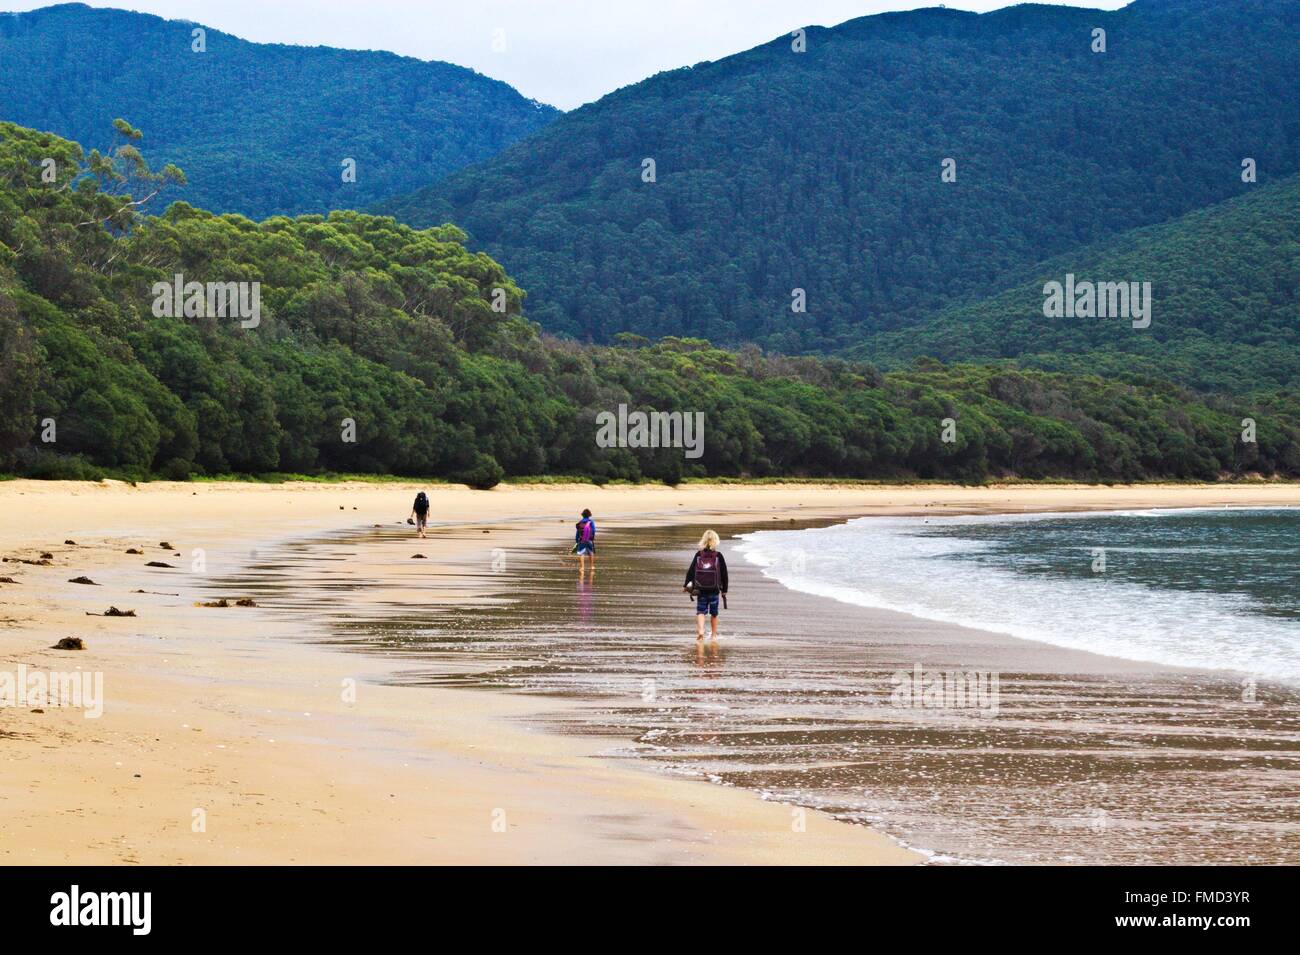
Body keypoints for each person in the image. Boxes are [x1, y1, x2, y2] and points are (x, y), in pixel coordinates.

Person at [684, 529, 728, 651]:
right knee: (714, 613)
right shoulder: (718, 556)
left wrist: (685, 585)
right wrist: (724, 590)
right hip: (714, 589)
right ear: (716, 541)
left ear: (703, 540)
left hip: (701, 588)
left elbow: (691, 570)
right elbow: (724, 574)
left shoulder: (699, 555)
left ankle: (701, 631)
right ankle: (713, 635)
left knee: (701, 611)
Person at [574, 509, 596, 573]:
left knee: (581, 553)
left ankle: (582, 567)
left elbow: (577, 532)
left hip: (582, 540)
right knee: (591, 553)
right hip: (589, 539)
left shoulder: (580, 522)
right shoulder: (591, 522)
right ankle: (591, 566)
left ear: (582, 515)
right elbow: (594, 530)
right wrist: (592, 537)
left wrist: (577, 540)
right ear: (589, 515)